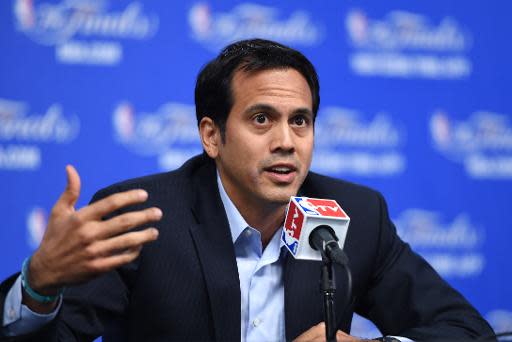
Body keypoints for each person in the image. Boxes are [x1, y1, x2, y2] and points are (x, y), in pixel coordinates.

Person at [0, 39, 495, 341]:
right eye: (262, 119)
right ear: (212, 135)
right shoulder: (143, 218)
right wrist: (39, 287)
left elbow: (468, 331)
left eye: (300, 121)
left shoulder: (357, 216)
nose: (285, 142)